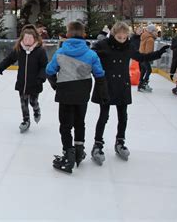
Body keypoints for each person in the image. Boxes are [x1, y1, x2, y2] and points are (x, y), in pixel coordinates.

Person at [90, 22, 170, 165]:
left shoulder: (129, 46)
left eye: (124, 37)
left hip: (122, 86)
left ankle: (120, 142)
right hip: (107, 85)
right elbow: (91, 53)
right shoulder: (104, 45)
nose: (121, 40)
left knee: (123, 116)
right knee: (103, 116)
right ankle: (97, 144)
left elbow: (142, 57)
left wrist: (159, 53)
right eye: (119, 37)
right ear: (114, 34)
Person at [46, 21, 109, 174]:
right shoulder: (91, 54)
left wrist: (56, 85)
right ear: (84, 34)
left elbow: (49, 70)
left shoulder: (60, 52)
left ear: (67, 35)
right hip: (82, 94)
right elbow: (99, 74)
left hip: (65, 93)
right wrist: (103, 93)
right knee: (80, 122)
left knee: (65, 125)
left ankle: (69, 153)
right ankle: (79, 150)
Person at [0, 24, 48, 133]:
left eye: (30, 38)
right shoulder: (19, 49)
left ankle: (36, 109)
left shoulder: (40, 51)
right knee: (23, 102)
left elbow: (44, 66)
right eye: (25, 38)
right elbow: (9, 59)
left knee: (33, 101)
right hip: (22, 82)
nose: (27, 40)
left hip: (35, 82)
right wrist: (1, 66)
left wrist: (41, 78)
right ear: (22, 38)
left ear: (35, 39)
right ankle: (26, 120)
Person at [138, 23, 158, 92]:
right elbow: (148, 51)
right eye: (155, 31)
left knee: (143, 70)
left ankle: (140, 85)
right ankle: (144, 84)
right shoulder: (150, 39)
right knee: (149, 70)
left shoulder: (144, 37)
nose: (157, 33)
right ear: (151, 31)